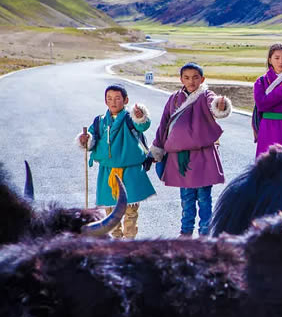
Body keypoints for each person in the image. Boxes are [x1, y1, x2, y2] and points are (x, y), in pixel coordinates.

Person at [150, 62, 232, 238]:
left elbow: (215, 105)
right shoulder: (173, 99)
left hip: (203, 156)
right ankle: (186, 232)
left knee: (204, 198)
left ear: (202, 79)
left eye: (195, 77)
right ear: (181, 79)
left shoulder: (206, 95)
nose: (191, 81)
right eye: (186, 77)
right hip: (181, 158)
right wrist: (156, 149)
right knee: (186, 199)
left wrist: (221, 105)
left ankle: (204, 233)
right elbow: (164, 124)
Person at [75, 84, 155, 239]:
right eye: (109, 99)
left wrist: (140, 115)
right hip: (108, 171)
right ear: (105, 102)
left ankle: (129, 239)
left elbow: (143, 125)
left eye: (118, 98)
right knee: (110, 211)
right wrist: (85, 139)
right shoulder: (100, 122)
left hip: (130, 170)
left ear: (126, 100)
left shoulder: (131, 118)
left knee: (131, 210)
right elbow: (91, 139)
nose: (113, 102)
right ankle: (115, 240)